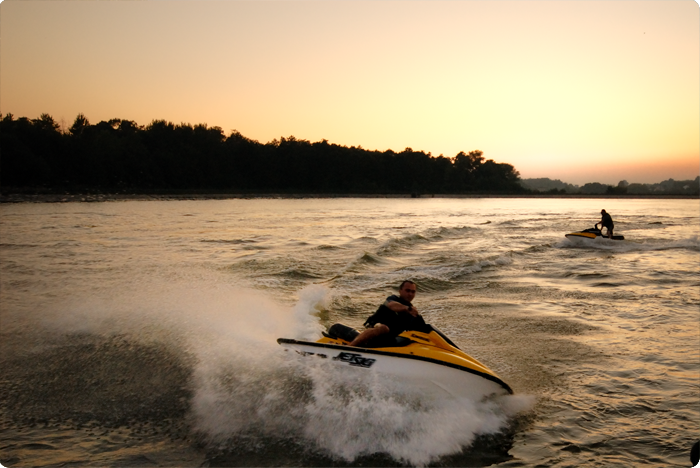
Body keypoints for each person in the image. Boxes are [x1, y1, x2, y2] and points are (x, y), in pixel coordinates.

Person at [348, 280, 425, 347]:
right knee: (384, 328)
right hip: (375, 327)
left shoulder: (412, 313)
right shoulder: (393, 299)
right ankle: (351, 347)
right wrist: (407, 308)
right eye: (407, 291)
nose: (410, 294)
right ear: (400, 291)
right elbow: (391, 305)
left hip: (389, 338)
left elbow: (422, 329)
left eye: (413, 292)